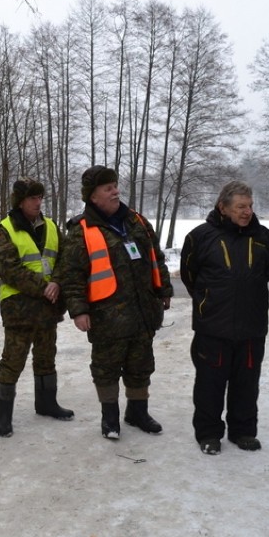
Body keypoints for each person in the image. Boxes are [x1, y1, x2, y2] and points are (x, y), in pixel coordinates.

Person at [61, 165, 173, 439]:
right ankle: (110, 418)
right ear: (93, 197)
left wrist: (164, 290)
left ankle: (137, 412)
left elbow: (156, 257)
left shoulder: (137, 221)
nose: (115, 191)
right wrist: (78, 311)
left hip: (142, 311)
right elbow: (72, 275)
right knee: (106, 368)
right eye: (108, 188)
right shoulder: (81, 230)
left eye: (115, 186)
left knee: (141, 364)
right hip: (105, 316)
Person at [180, 181, 269, 455]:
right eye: (240, 207)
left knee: (247, 383)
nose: (247, 212)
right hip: (213, 326)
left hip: (252, 326)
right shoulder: (200, 236)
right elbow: (189, 274)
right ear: (223, 207)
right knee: (210, 385)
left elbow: (268, 269)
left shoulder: (263, 236)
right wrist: (209, 299)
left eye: (249, 206)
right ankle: (208, 433)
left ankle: (243, 431)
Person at [0, 177, 73, 437]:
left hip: (48, 307)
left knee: (46, 357)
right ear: (20, 201)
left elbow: (65, 258)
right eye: (32, 198)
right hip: (19, 309)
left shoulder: (51, 227)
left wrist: (58, 282)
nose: (37, 203)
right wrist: (44, 287)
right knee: (12, 361)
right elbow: (10, 270)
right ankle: (3, 417)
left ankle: (47, 403)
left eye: (40, 198)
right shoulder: (4, 230)